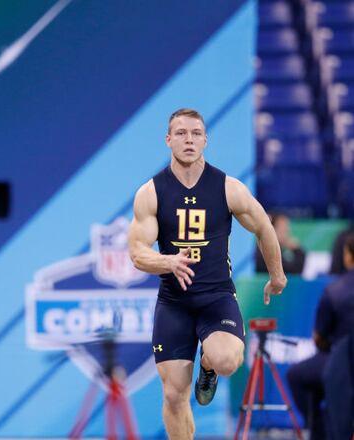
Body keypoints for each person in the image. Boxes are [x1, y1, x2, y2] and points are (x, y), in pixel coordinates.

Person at [128, 108, 287, 439]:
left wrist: (277, 275)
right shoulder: (151, 192)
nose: (189, 139)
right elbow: (137, 252)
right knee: (174, 395)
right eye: (181, 133)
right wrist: (168, 262)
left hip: (216, 298)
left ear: (205, 140)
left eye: (196, 133)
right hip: (174, 303)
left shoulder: (228, 188)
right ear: (168, 140)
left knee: (227, 360)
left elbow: (263, 226)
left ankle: (208, 365)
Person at [287, 233, 354, 439]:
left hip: (342, 361)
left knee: (296, 375)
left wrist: (328, 348)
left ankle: (320, 431)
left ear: (348, 256)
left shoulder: (334, 290)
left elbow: (319, 337)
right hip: (340, 361)